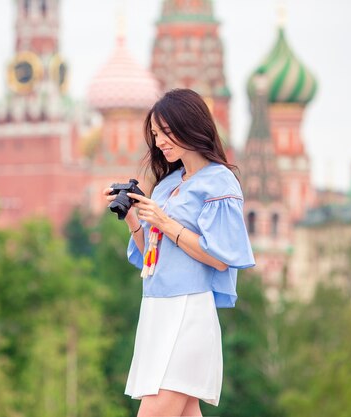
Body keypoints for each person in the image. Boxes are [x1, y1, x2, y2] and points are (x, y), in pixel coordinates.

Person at [103, 88, 255, 417]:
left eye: (167, 132)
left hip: (187, 310)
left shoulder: (219, 182)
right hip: (158, 308)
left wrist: (166, 222)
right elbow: (152, 258)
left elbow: (219, 257)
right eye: (156, 135)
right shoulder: (167, 184)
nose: (160, 142)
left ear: (190, 125)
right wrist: (135, 220)